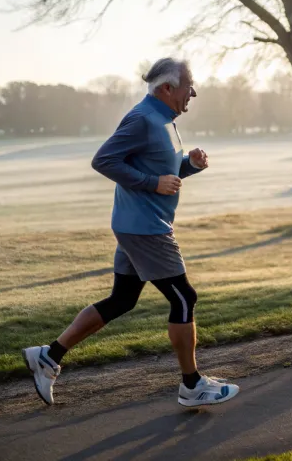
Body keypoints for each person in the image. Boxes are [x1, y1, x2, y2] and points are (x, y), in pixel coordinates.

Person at [23, 58, 240, 408]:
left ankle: (49, 355)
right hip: (145, 229)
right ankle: (192, 385)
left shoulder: (165, 121)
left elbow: (164, 173)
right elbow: (104, 160)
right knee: (184, 297)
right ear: (167, 89)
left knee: (123, 299)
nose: (193, 93)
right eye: (189, 86)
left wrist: (191, 166)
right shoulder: (142, 119)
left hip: (138, 225)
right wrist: (153, 183)